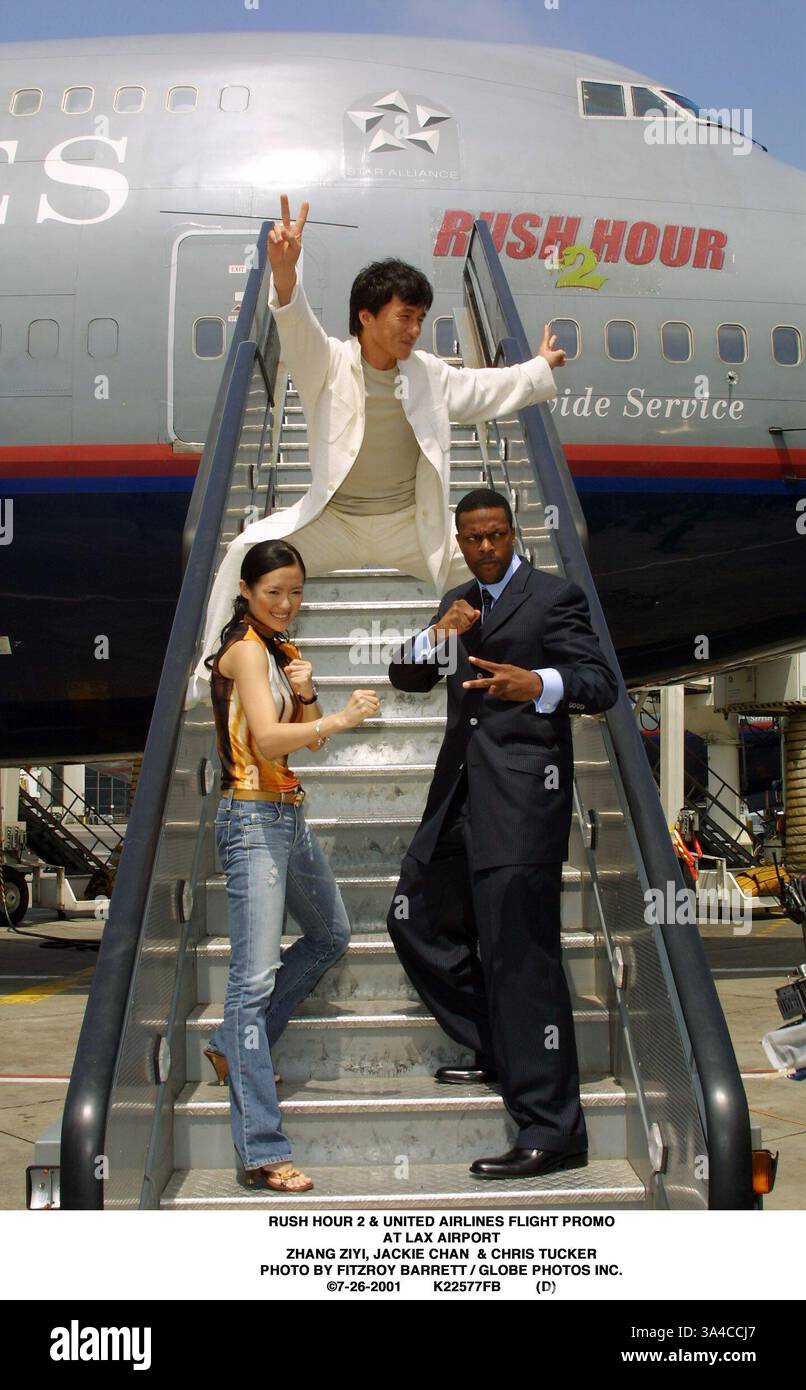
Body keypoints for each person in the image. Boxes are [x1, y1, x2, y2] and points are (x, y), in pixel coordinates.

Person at [189, 193, 566, 700]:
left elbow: (485, 391)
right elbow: (296, 329)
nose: (414, 330)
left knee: (507, 573)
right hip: (334, 521)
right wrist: (284, 275)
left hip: (408, 525)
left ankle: (540, 683)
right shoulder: (327, 364)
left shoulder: (430, 374)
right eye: (404, 317)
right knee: (243, 552)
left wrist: (538, 367)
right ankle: (210, 673)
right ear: (366, 316)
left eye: (420, 319)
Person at [386, 489, 619, 1179]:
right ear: (460, 541)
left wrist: (538, 683)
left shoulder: (555, 598)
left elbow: (600, 682)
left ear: (513, 533)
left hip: (522, 801)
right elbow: (405, 678)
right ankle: (499, 1044)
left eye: (495, 536)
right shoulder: (458, 601)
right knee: (414, 919)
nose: (485, 548)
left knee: (522, 957)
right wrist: (439, 635)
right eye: (473, 539)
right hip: (459, 797)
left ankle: (553, 1129)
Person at [206, 538, 380, 1192]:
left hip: (285, 811)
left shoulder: (281, 651)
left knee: (330, 935)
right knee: (252, 983)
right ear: (247, 591)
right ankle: (260, 1150)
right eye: (273, 591)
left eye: (295, 591)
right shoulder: (248, 652)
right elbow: (272, 737)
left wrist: (308, 693)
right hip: (250, 817)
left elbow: (293, 727)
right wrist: (336, 717)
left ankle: (231, 1044)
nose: (286, 603)